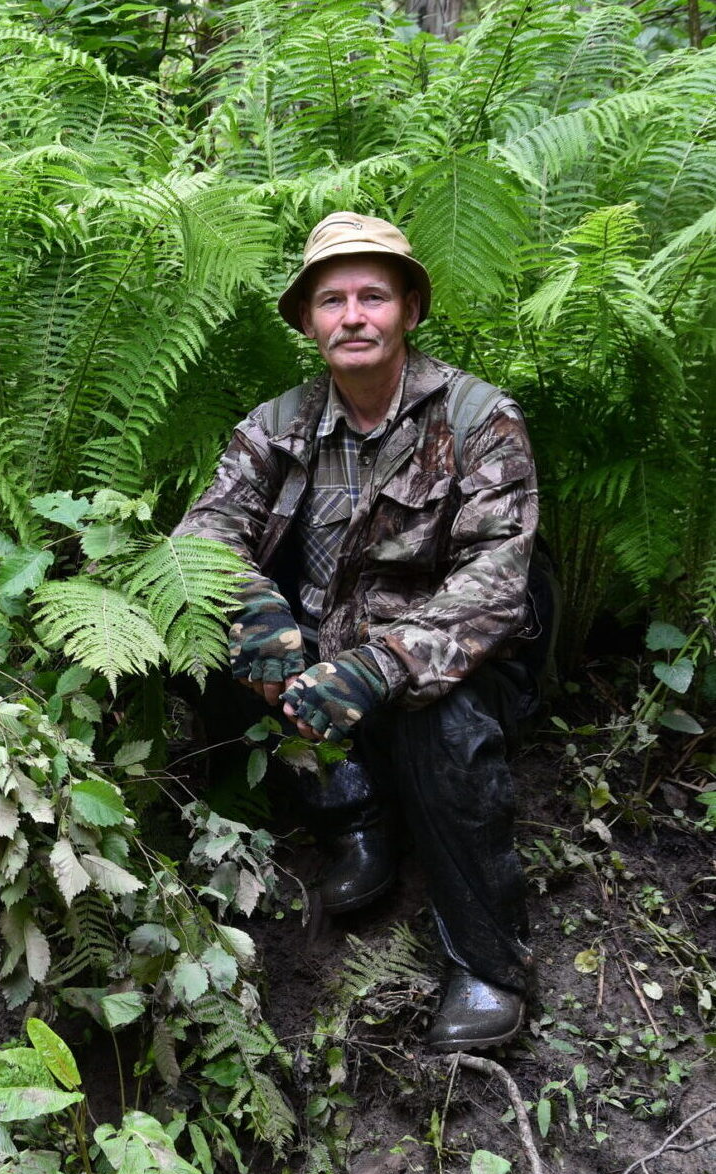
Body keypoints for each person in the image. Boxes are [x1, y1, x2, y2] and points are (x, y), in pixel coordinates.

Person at [175, 211, 551, 1052]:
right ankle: (351, 818)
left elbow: (496, 580)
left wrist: (381, 666)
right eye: (332, 300)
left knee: (444, 728)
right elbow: (203, 536)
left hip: (440, 660)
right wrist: (257, 611)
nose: (353, 317)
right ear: (309, 321)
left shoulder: (480, 419)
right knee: (207, 651)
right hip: (317, 654)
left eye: (373, 297)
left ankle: (488, 963)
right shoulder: (277, 424)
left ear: (408, 310)